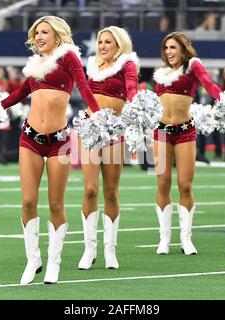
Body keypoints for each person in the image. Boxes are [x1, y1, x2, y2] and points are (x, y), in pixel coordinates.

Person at [0, 16, 101, 284]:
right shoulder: (34, 65)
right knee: (28, 201)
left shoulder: (69, 58)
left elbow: (84, 87)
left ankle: (54, 261)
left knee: (56, 203)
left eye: (45, 32)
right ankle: (34, 259)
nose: (39, 37)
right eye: (36, 33)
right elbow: (19, 94)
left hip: (59, 141)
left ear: (57, 35)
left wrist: (99, 115)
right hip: (30, 138)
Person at [152, 32, 221, 255]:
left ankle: (186, 238)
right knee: (163, 183)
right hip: (161, 132)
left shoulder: (193, 66)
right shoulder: (160, 74)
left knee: (185, 185)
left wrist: (224, 99)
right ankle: (164, 239)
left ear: (183, 49)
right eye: (166, 48)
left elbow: (208, 84)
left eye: (173, 47)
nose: (169, 52)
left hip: (185, 132)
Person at [78, 26, 139, 270]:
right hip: (91, 130)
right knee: (90, 189)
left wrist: (135, 102)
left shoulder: (127, 64)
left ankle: (110, 250)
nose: (102, 46)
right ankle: (89, 249)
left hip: (115, 132)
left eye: (108, 42)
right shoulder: (92, 66)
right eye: (100, 41)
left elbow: (132, 86)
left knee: (111, 191)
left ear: (119, 45)